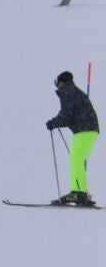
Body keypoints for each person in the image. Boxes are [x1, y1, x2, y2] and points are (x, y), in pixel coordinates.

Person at [46, 70, 98, 205]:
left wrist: (53, 123)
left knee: (76, 160)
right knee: (77, 160)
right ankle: (81, 193)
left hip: (85, 129)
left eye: (58, 82)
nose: (57, 85)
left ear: (62, 82)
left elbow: (66, 114)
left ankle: (77, 192)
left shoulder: (68, 93)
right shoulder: (72, 91)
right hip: (86, 129)